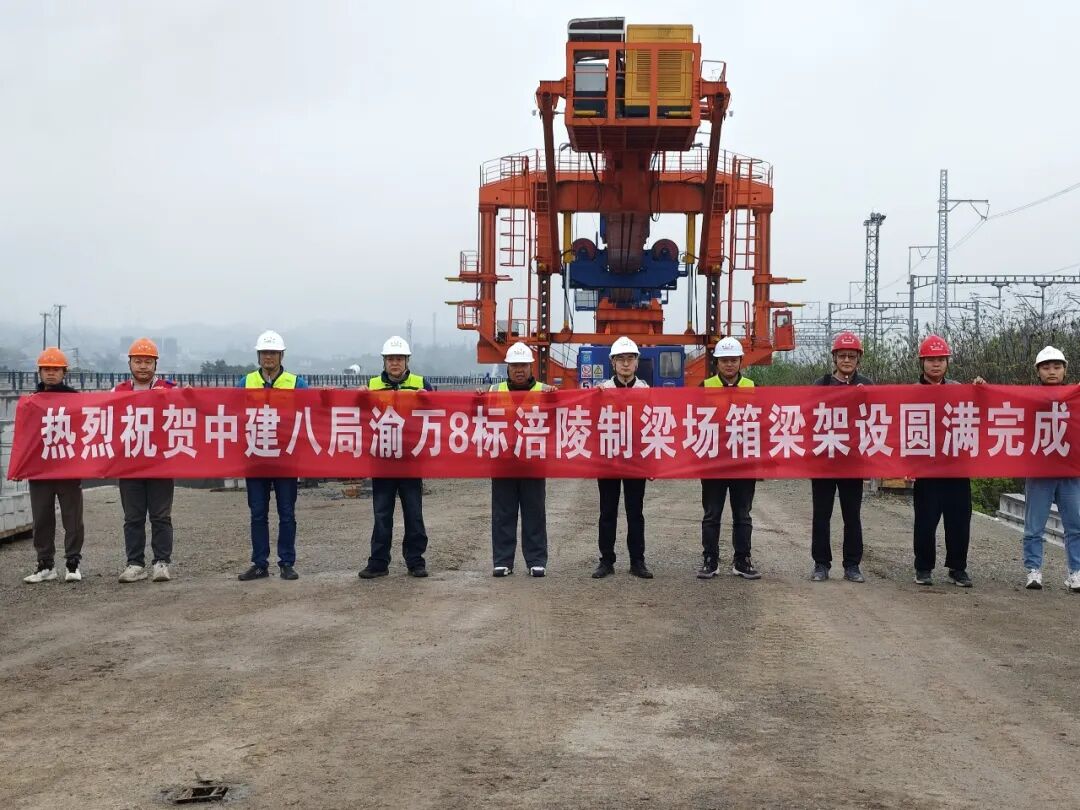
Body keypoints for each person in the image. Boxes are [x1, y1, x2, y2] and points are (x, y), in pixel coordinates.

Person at [911, 334, 985, 587]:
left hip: (956, 467)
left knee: (959, 521)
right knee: (925, 521)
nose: (936, 364)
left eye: (941, 360)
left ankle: (958, 568)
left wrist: (980, 391)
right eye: (931, 360)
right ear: (922, 363)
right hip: (927, 469)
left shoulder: (959, 389)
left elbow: (983, 412)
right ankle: (923, 567)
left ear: (947, 363)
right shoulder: (911, 393)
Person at [359, 336, 434, 579]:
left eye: (399, 358)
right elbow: (357, 414)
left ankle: (416, 561)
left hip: (410, 460)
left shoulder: (421, 384)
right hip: (382, 460)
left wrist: (428, 398)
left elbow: (438, 411)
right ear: (384, 361)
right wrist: (357, 397)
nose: (395, 363)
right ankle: (378, 562)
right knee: (382, 514)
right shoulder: (372, 386)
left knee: (414, 514)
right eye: (391, 358)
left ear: (407, 361)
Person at [237, 330, 308, 582]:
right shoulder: (245, 382)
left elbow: (313, 412)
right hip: (256, 458)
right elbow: (229, 412)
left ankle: (287, 563)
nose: (269, 357)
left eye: (273, 353)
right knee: (258, 513)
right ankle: (260, 564)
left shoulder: (296, 383)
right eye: (265, 353)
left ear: (281, 355)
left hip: (285, 459)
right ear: (259, 356)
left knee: (287, 513)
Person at [485, 342, 556, 577]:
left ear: (530, 367)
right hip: (503, 462)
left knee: (534, 512)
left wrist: (555, 398)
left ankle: (536, 560)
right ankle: (503, 560)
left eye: (523, 365)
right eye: (515, 365)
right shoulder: (494, 391)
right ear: (507, 368)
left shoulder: (545, 392)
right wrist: (476, 399)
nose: (519, 370)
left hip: (533, 462)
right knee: (503, 513)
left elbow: (561, 418)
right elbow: (476, 418)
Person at [810, 332, 874, 583]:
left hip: (852, 461)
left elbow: (877, 417)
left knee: (852, 515)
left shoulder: (866, 385)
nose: (847, 360)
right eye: (842, 355)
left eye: (852, 356)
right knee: (821, 515)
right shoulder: (821, 384)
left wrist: (865, 398)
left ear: (858, 359)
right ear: (834, 358)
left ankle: (852, 565)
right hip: (824, 460)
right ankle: (821, 563)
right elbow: (808, 416)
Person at [113, 338, 178, 583]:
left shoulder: (169, 389)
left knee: (161, 516)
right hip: (129, 465)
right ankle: (135, 564)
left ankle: (162, 562)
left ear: (155, 364)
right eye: (138, 361)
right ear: (130, 363)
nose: (143, 366)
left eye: (148, 362)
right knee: (133, 517)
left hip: (160, 464)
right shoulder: (117, 392)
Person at [697, 337, 761, 580]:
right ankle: (710, 560)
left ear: (741, 361)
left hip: (743, 462)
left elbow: (763, 422)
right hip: (713, 461)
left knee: (743, 515)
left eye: (733, 360)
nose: (729, 365)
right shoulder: (705, 386)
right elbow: (691, 419)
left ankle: (742, 560)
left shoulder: (752, 387)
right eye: (724, 360)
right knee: (711, 514)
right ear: (717, 363)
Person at [23, 348, 85, 584]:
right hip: (40, 469)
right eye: (46, 369)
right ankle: (45, 564)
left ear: (64, 372)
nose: (51, 373)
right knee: (41, 519)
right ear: (39, 372)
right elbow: (24, 438)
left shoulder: (76, 400)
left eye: (56, 369)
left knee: (72, 518)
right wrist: (20, 467)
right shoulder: (31, 402)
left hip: (68, 467)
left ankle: (73, 563)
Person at [593, 336, 653, 579]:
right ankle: (606, 561)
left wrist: (651, 463)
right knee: (607, 512)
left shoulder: (646, 392)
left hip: (635, 460)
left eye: (630, 359)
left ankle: (637, 561)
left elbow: (653, 428)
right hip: (609, 458)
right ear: (613, 363)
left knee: (635, 512)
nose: (626, 364)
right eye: (621, 359)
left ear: (637, 363)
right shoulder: (602, 391)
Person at [1021, 346, 1080, 592]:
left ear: (1065, 370)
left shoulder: (1075, 398)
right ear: (1038, 371)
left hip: (1070, 471)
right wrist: (981, 388)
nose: (1052, 371)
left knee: (1075, 525)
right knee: (1034, 526)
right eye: (1046, 367)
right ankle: (1033, 570)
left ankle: (1076, 572)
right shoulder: (1027, 398)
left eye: (1057, 367)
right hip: (1040, 471)